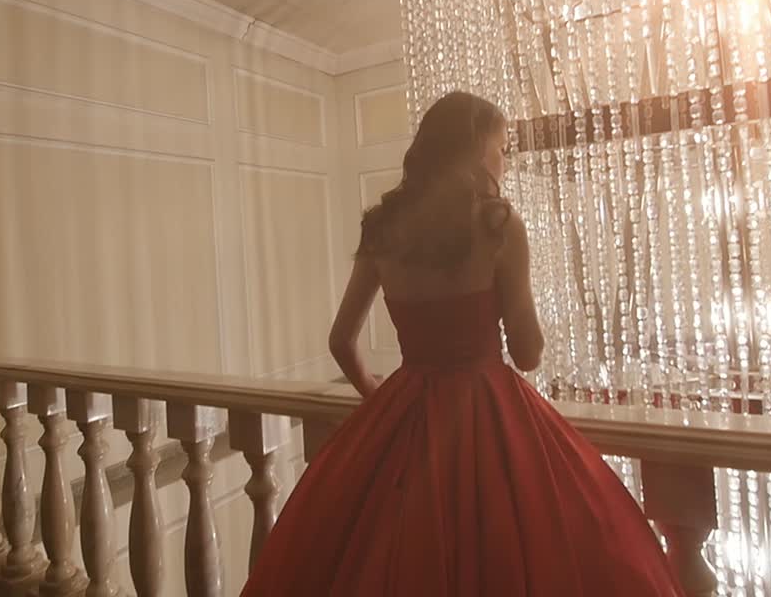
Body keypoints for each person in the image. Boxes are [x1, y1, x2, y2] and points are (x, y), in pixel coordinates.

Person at [240, 91, 684, 596]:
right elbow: (528, 353)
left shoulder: (383, 228)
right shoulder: (499, 226)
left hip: (406, 408)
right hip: (488, 409)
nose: (504, 159)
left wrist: (373, 392)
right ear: (476, 149)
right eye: (501, 146)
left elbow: (341, 340)